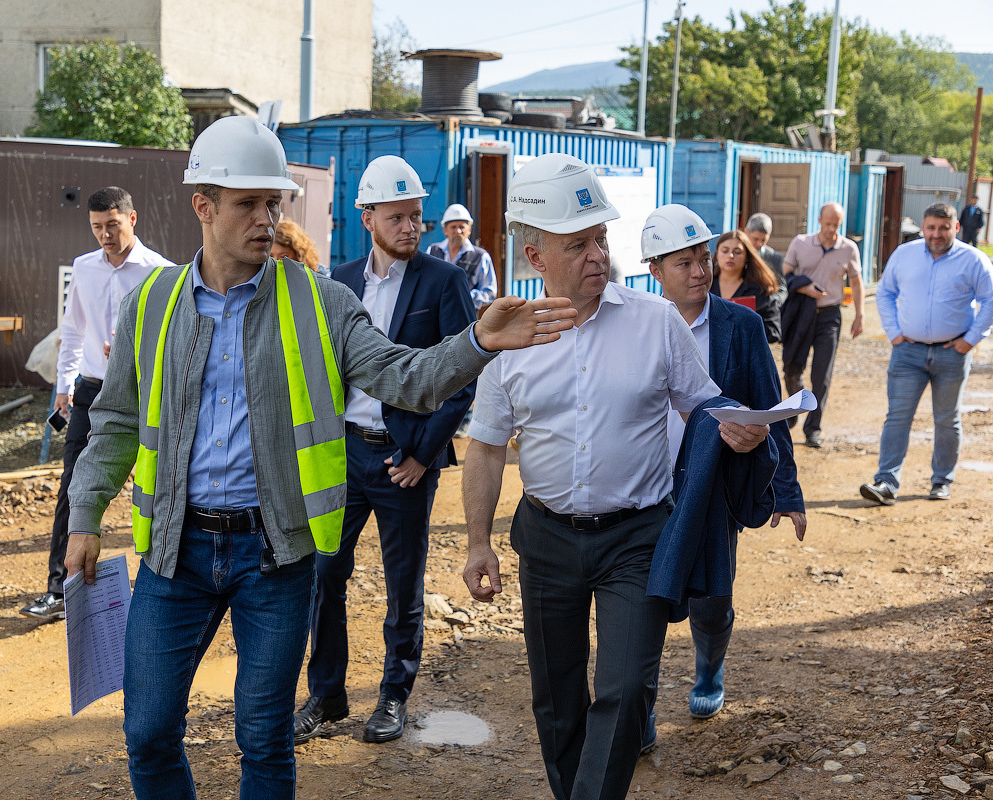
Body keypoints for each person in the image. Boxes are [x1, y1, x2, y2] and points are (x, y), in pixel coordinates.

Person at [63, 116, 577, 800]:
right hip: (173, 551)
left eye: (272, 203)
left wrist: (476, 343)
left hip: (274, 555)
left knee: (264, 737)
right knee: (150, 731)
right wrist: (84, 513)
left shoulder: (322, 303)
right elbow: (117, 419)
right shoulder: (150, 305)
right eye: (247, 203)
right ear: (203, 206)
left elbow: (407, 378)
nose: (266, 218)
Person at [461, 155, 770, 800]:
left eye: (601, 238)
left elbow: (704, 405)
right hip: (546, 541)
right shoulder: (505, 338)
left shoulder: (654, 322)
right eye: (578, 244)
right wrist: (477, 542)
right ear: (535, 254)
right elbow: (487, 447)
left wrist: (740, 428)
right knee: (557, 695)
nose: (598, 255)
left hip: (637, 539)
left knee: (628, 691)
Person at [293, 157, 476, 746]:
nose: (410, 228)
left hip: (405, 460)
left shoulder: (444, 282)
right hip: (342, 454)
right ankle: (326, 694)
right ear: (367, 216)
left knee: (403, 581)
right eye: (396, 217)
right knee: (325, 574)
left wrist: (423, 454)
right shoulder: (339, 282)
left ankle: (394, 696)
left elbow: (460, 379)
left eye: (415, 218)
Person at [645, 204, 805, 732]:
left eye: (702, 260)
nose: (698, 272)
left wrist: (786, 490)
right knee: (637, 602)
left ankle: (709, 670)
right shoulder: (636, 323)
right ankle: (637, 706)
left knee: (712, 598)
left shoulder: (741, 325)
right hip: (642, 487)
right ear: (654, 270)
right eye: (683, 263)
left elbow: (768, 406)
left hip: (712, 486)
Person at [19, 186, 174, 621]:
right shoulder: (84, 269)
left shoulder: (161, 273)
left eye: (112, 225)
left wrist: (134, 352)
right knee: (75, 486)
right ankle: (59, 588)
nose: (104, 235)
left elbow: (172, 337)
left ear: (132, 219)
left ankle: (162, 583)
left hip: (145, 393)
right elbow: (72, 330)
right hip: (91, 391)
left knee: (159, 483)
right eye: (96, 228)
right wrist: (65, 386)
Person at [860, 203, 993, 505]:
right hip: (907, 354)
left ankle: (941, 481)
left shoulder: (974, 260)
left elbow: (989, 300)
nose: (937, 234)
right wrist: (893, 331)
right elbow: (885, 292)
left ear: (956, 228)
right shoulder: (904, 255)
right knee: (897, 417)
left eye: (944, 228)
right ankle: (886, 483)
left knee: (947, 419)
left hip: (952, 354)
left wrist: (970, 340)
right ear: (923, 226)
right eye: (931, 227)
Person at [781, 202, 864, 448]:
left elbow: (857, 283)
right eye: (827, 224)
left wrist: (859, 316)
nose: (831, 229)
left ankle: (813, 429)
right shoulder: (800, 243)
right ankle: (796, 407)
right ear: (819, 220)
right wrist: (804, 287)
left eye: (836, 225)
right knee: (791, 366)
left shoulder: (848, 248)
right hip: (801, 312)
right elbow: (786, 273)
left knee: (822, 374)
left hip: (830, 315)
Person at [712, 228, 784, 343]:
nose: (730, 256)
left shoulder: (760, 290)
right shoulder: (705, 286)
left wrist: (746, 325)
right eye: (725, 251)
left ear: (747, 257)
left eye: (737, 252)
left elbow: (773, 332)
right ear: (716, 255)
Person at [427, 203, 498, 312]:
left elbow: (490, 292)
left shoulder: (481, 256)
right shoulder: (432, 251)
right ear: (445, 230)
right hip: (435, 316)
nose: (458, 231)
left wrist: (466, 297)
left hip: (465, 318)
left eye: (462, 227)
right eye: (453, 227)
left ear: (469, 230)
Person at [745, 212, 787, 297]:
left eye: (763, 240)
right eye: (755, 239)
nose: (759, 244)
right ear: (746, 232)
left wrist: (773, 302)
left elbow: (782, 289)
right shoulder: (736, 255)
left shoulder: (774, 258)